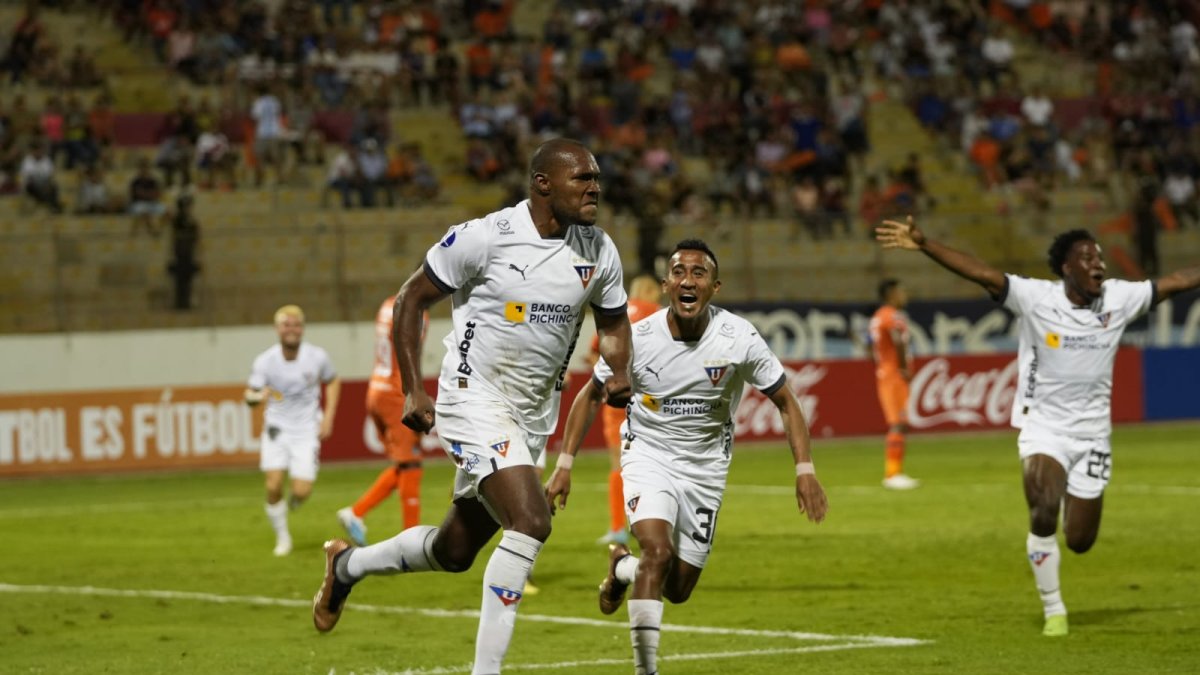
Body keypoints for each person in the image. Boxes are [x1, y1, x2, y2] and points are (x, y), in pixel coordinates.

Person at [312, 138, 633, 675]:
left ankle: (347, 565)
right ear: (542, 183)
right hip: (471, 397)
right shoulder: (486, 237)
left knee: (454, 551)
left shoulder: (598, 250)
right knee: (531, 521)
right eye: (582, 178)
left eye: (596, 176)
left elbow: (614, 320)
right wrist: (414, 387)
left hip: (531, 416)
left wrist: (620, 369)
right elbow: (412, 298)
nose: (594, 186)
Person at [876, 216, 1200, 637]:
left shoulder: (1120, 298)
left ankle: (1067, 499)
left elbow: (1175, 281)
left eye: (1099, 256)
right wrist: (924, 244)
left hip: (1093, 436)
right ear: (1067, 267)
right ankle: (1054, 610)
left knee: (1080, 541)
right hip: (1043, 428)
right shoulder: (1035, 297)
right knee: (1043, 506)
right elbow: (982, 273)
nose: (1097, 262)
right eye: (1087, 257)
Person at [546, 239, 829, 675]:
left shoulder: (738, 337)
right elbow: (589, 396)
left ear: (716, 287)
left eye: (699, 273)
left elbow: (786, 401)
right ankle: (646, 670)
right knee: (656, 552)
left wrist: (805, 470)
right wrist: (564, 465)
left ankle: (622, 569)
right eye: (679, 272)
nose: (688, 280)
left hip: (705, 470)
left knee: (677, 588)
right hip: (648, 456)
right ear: (665, 285)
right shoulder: (636, 338)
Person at [245, 305, 342, 556]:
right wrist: (258, 396)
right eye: (287, 325)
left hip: (306, 430)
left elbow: (332, 380)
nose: (292, 330)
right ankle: (283, 538)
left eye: (296, 325)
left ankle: (295, 501)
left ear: (302, 329)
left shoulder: (317, 356)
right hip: (277, 429)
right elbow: (250, 395)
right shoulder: (265, 361)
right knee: (273, 484)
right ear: (277, 329)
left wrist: (328, 417)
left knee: (301, 490)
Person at [337, 296, 429, 546]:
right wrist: (416, 394)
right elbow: (410, 354)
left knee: (403, 464)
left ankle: (355, 513)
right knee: (411, 465)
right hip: (394, 394)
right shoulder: (417, 311)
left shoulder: (388, 304)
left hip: (376, 388)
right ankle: (412, 540)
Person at [585, 273, 663, 545]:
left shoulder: (616, 312)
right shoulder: (657, 313)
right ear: (652, 291)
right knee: (656, 461)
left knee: (618, 464)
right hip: (647, 400)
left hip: (615, 399)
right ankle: (652, 521)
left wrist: (611, 379)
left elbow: (593, 353)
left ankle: (618, 527)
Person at [870, 278, 919, 490]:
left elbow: (870, 347)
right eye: (901, 292)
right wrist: (902, 368)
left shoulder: (878, 317)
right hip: (893, 376)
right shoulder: (890, 316)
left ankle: (895, 472)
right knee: (897, 423)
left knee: (900, 423)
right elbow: (898, 340)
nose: (904, 296)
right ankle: (892, 474)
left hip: (886, 373)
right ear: (891, 295)